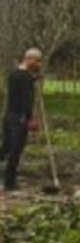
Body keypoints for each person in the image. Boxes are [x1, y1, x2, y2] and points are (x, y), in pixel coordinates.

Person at [0, 48, 43, 191]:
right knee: (15, 149)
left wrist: (33, 79)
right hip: (19, 118)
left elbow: (22, 83)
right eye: (37, 61)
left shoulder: (14, 74)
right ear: (29, 59)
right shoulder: (24, 78)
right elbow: (26, 100)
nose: (39, 64)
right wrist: (30, 118)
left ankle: (8, 178)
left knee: (6, 147)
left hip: (8, 116)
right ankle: (9, 181)